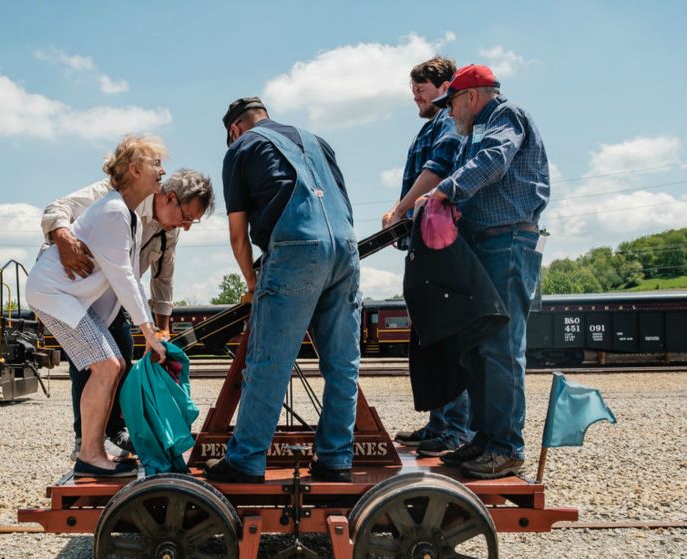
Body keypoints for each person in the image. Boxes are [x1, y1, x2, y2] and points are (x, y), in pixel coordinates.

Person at [203, 97, 359, 484]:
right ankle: (336, 460)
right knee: (342, 363)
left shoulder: (242, 148)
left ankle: (246, 459)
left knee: (270, 361)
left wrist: (253, 282)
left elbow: (238, 234)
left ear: (234, 129)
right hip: (345, 247)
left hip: (295, 251)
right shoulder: (318, 142)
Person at [421, 64, 550, 479]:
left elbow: (495, 159)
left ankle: (507, 446)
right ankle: (484, 437)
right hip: (484, 243)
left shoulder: (503, 116)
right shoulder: (469, 130)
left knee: (500, 344)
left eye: (453, 102)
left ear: (471, 96)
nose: (450, 111)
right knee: (477, 343)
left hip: (507, 241)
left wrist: (445, 190)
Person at [41, 170, 215, 461]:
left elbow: (163, 279)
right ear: (170, 198)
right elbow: (56, 209)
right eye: (187, 218)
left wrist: (161, 329)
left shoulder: (167, 231)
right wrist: (62, 239)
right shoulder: (117, 193)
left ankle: (113, 431)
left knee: (123, 351)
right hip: (75, 286)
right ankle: (85, 440)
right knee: (91, 361)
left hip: (114, 292)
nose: (186, 228)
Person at [26, 135, 170, 477]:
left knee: (114, 363)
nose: (163, 171)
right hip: (54, 294)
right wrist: (148, 331)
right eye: (156, 164)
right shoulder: (114, 208)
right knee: (105, 366)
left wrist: (148, 326)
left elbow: (132, 278)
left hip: (72, 298)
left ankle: (93, 450)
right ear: (134, 170)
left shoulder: (129, 214)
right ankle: (89, 453)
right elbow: (123, 276)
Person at [382, 56, 473, 458]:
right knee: (431, 335)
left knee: (446, 333)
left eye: (420, 90)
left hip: (440, 239)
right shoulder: (432, 126)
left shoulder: (446, 123)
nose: (415, 98)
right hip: (424, 238)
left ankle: (454, 429)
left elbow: (437, 169)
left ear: (443, 87)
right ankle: (440, 423)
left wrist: (400, 210)